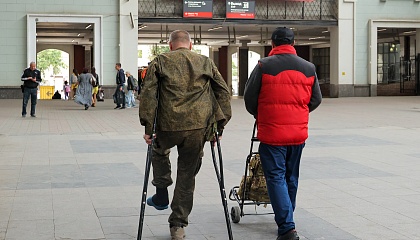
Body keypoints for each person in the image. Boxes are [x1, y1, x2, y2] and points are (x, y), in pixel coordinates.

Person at [139, 30, 231, 240]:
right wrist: (219, 126)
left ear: (170, 45)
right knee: (187, 174)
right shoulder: (205, 62)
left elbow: (148, 95)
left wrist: (148, 128)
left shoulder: (160, 62)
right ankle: (178, 225)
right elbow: (223, 93)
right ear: (190, 45)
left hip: (167, 125)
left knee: (159, 150)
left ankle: (161, 192)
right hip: (197, 129)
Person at [244, 27, 322, 240]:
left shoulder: (263, 66)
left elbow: (249, 98)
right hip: (297, 134)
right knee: (291, 176)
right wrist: (298, 113)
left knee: (275, 177)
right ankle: (287, 215)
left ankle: (287, 227)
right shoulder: (308, 67)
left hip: (272, 135)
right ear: (293, 43)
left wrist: (262, 115)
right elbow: (316, 100)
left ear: (272, 44)